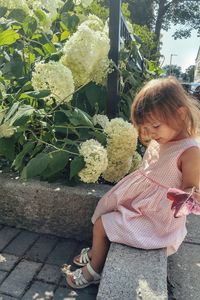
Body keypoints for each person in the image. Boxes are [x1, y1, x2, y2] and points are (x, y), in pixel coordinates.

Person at [62, 76, 200, 289]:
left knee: (102, 224)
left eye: (155, 126)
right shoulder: (163, 138)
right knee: (103, 210)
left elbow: (192, 186)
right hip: (142, 202)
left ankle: (96, 268)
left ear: (180, 114)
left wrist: (188, 195)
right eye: (147, 128)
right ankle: (94, 252)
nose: (152, 134)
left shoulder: (189, 151)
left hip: (156, 219)